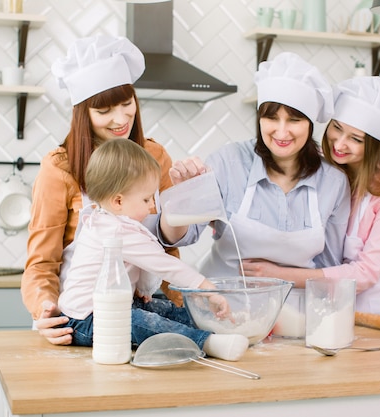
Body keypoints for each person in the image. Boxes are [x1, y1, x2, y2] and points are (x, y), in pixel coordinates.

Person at [156, 52, 351, 335]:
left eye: (294, 120)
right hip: (220, 314)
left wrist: (282, 279)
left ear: (310, 124)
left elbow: (330, 268)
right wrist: (183, 198)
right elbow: (180, 237)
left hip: (297, 321)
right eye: (271, 117)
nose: (281, 131)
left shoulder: (333, 181)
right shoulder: (229, 161)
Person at [21, 34, 182, 346]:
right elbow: (42, 262)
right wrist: (44, 308)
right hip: (78, 322)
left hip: (137, 315)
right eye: (105, 110)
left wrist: (184, 301)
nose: (121, 119)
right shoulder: (60, 167)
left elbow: (165, 246)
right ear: (84, 113)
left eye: (126, 104)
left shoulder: (156, 156)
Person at [242, 76, 380, 319]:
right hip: (334, 308)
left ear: (375, 145)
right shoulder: (329, 173)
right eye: (336, 128)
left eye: (355, 139)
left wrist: (279, 275)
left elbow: (367, 273)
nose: (340, 143)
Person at [59, 138, 249, 361]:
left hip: (113, 305)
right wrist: (206, 287)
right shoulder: (116, 230)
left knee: (163, 310)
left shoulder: (110, 220)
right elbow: (163, 264)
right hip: (86, 320)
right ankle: (208, 342)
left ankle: (214, 326)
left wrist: (141, 290)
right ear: (118, 201)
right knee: (142, 323)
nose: (152, 206)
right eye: (146, 198)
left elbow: (131, 265)